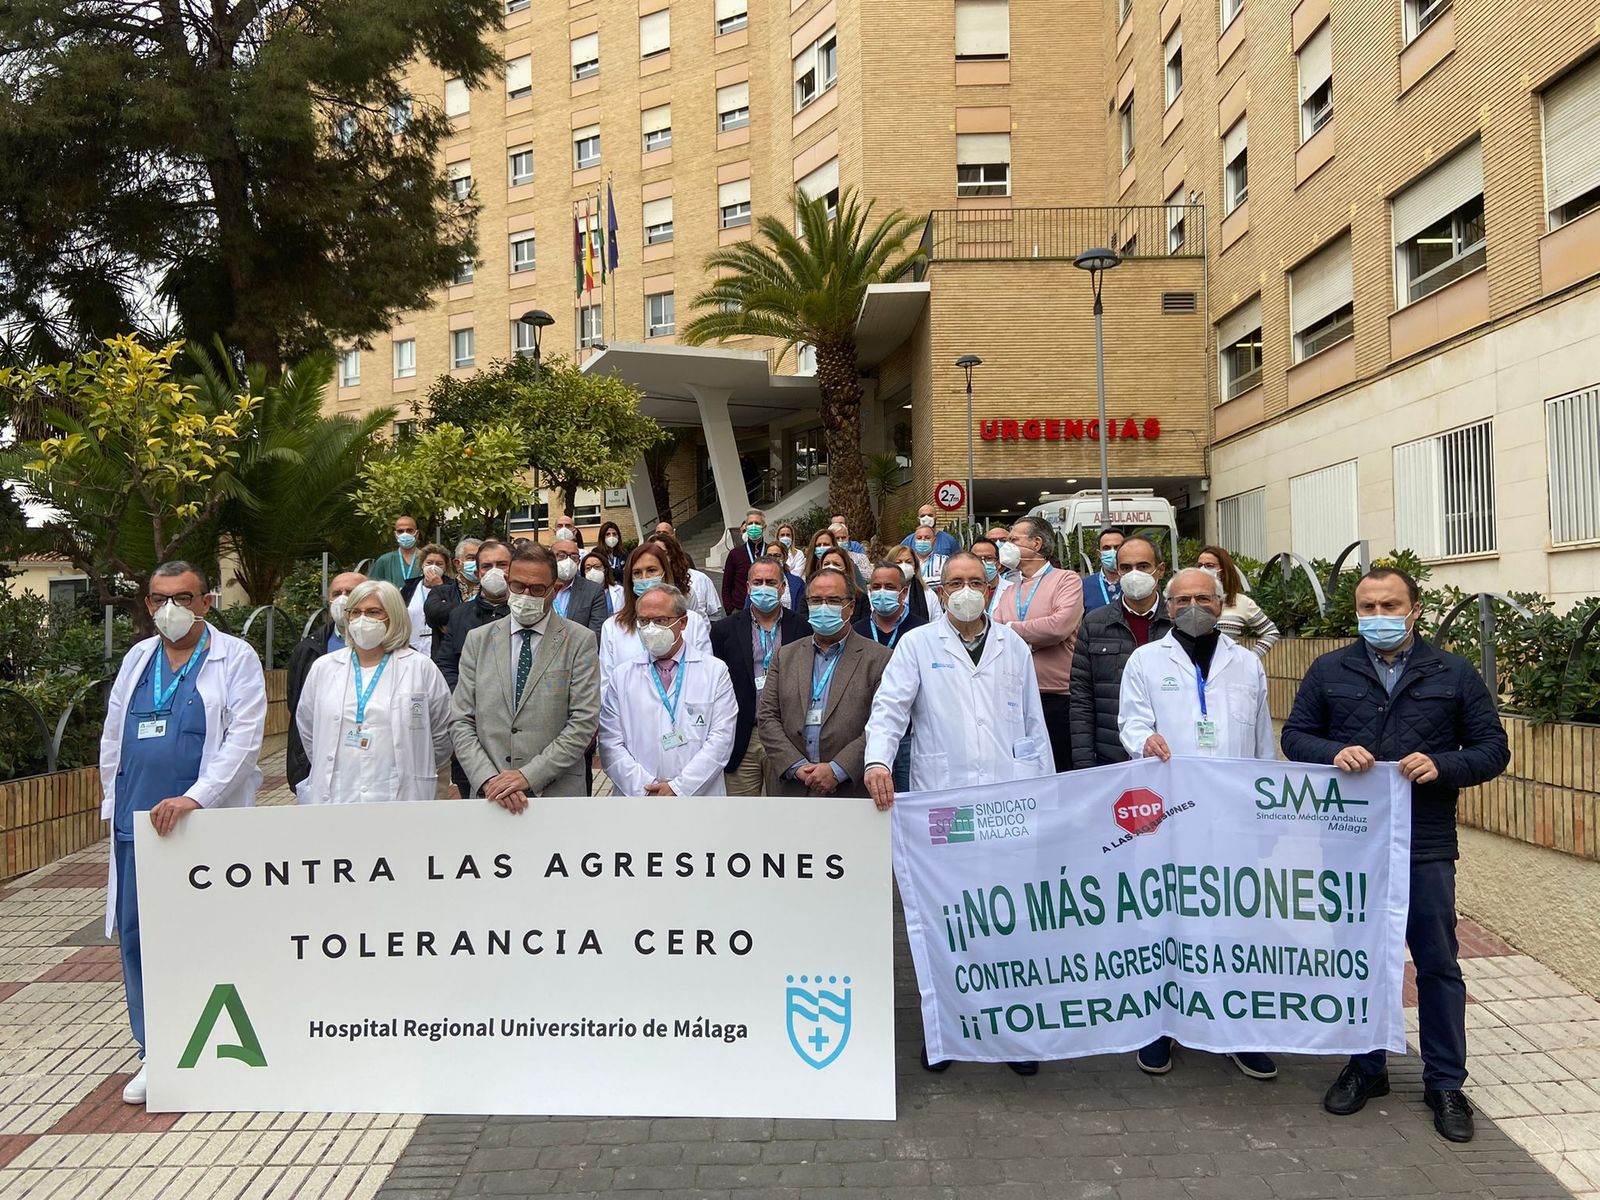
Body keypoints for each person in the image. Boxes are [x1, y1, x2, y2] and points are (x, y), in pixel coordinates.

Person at [1283, 567, 1509, 1144]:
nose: (1377, 615)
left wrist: (1443, 765)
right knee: (1357, 959)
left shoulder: (1453, 672)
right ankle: (1366, 1066)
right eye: (1367, 605)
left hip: (1426, 842)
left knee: (1436, 963)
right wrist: (1335, 752)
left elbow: (1492, 749)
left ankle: (1445, 1083)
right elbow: (1296, 737)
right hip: (1351, 843)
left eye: (1389, 604)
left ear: (1413, 610)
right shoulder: (1331, 669)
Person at [863, 551, 1051, 1077]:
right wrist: (878, 759)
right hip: (944, 804)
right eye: (955, 582)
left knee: (1011, 919)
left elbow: (1033, 725)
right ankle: (945, 1029)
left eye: (975, 580)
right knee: (949, 919)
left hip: (1007, 802)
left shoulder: (1013, 645)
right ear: (939, 591)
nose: (966, 589)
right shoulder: (918, 644)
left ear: (990, 587)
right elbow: (890, 709)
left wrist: (1045, 797)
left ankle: (1013, 1032)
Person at [99, 561, 266, 1106]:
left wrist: (197, 797)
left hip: (203, 824)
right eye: (159, 599)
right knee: (137, 936)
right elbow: (115, 736)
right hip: (137, 825)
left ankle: (221, 1045)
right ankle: (157, 1051)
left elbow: (243, 741)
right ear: (147, 604)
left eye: (184, 598)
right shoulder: (137, 658)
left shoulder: (235, 657)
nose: (170, 609)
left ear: (206, 602)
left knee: (207, 936)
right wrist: (112, 803)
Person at [1117, 566, 1277, 1082]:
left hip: (1233, 817)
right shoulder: (1145, 659)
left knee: (1233, 920)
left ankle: (1235, 1027)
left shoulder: (1247, 664)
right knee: (1166, 918)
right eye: (1182, 598)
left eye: (1204, 598)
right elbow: (1131, 720)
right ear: (1167, 606)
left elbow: (1260, 742)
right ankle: (1160, 1027)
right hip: (1169, 814)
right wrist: (1145, 740)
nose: (1193, 606)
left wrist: (1265, 811)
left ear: (1221, 603)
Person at [450, 542, 603, 806]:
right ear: (507, 582)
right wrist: (489, 780)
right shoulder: (478, 640)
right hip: (491, 797)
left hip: (557, 796)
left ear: (555, 590)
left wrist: (527, 777)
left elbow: (583, 723)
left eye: (537, 589)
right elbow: (461, 720)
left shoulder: (580, 641)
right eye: (518, 586)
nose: (526, 595)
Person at [296, 580, 453, 805]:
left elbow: (442, 735)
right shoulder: (324, 668)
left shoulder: (420, 667)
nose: (362, 620)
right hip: (337, 793)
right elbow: (308, 728)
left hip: (400, 795)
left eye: (373, 612)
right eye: (355, 612)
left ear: (393, 615)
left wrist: (414, 761)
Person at [758, 567, 889, 798]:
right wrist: (797, 766)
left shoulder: (879, 658)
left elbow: (881, 725)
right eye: (816, 600)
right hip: (792, 788)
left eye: (833, 600)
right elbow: (768, 716)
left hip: (849, 790)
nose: (824, 607)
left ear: (850, 605)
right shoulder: (785, 655)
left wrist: (837, 769)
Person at [599, 583, 737, 796]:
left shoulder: (715, 671)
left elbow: (721, 739)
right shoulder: (622, 675)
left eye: (661, 620)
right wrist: (646, 787)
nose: (651, 628)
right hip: (639, 796)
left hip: (700, 795)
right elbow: (610, 743)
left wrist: (679, 787)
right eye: (644, 621)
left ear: (683, 623)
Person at [1069, 537, 1171, 768]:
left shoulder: (1177, 623)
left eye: (1143, 566)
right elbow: (1081, 699)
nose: (1134, 574)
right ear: (1117, 571)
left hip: (1170, 755)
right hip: (1112, 756)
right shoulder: (1095, 624)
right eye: (1126, 568)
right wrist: (1084, 763)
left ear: (1160, 570)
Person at [710, 557, 808, 794]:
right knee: (740, 820)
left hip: (786, 738)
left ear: (782, 588)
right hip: (743, 736)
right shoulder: (724, 630)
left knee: (784, 816)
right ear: (748, 587)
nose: (764, 587)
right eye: (758, 581)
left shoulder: (803, 628)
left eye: (771, 582)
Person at [994, 515, 1084, 771]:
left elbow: (1058, 626)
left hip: (1055, 695)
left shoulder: (1067, 580)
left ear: (1036, 543)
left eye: (1013, 540)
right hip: (1015, 696)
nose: (1006, 546)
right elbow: (994, 634)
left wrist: (1012, 630)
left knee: (1060, 768)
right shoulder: (1010, 590)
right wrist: (1033, 636)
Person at [285, 570, 366, 790]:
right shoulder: (308, 650)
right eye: (336, 593)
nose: (342, 598)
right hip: (320, 766)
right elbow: (299, 710)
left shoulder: (403, 654)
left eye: (350, 592)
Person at [853, 560, 926, 791]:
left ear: (903, 593)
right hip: (863, 732)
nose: (881, 592)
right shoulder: (857, 630)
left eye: (889, 587)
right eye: (876, 586)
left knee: (905, 798)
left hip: (908, 735)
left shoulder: (921, 632)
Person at [600, 542, 713, 680]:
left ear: (665, 574)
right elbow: (607, 684)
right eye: (637, 573)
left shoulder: (693, 621)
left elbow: (707, 674)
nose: (644, 577)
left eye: (651, 570)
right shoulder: (613, 627)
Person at [437, 539, 512, 689]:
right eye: (487, 566)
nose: (494, 571)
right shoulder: (460, 615)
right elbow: (446, 665)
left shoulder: (524, 613)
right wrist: (462, 699)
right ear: (478, 573)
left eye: (502, 565)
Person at [1198, 544, 1280, 658]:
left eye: (1209, 565)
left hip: (1229, 670)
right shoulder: (1189, 601)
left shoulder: (1242, 602)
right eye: (1200, 565)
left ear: (1224, 569)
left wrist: (1251, 658)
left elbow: (1271, 633)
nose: (1203, 570)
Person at [647, 530, 722, 620]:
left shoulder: (695, 583)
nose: (656, 558)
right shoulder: (645, 586)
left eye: (661, 553)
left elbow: (714, 615)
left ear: (672, 555)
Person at [400, 543, 457, 656]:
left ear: (445, 567)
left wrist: (439, 587)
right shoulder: (409, 587)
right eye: (429, 563)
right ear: (422, 564)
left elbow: (454, 612)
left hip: (440, 649)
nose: (433, 567)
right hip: (410, 647)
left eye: (439, 564)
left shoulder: (453, 587)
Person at [550, 532, 609, 638]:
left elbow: (595, 634)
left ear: (578, 562)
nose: (568, 561)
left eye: (574, 557)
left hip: (578, 652)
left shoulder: (593, 591)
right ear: (550, 558)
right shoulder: (539, 587)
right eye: (561, 555)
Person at [720, 509, 768, 614]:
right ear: (745, 527)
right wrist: (730, 610)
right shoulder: (735, 554)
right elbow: (726, 585)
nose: (754, 526)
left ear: (764, 526)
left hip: (767, 608)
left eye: (757, 523)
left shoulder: (770, 552)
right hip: (739, 609)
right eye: (750, 523)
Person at [887, 543, 943, 622]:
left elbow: (937, 623)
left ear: (915, 566)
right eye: (898, 562)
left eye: (908, 562)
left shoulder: (928, 594)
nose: (904, 566)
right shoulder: (881, 593)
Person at [369, 515, 424, 587]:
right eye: (400, 531)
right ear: (395, 535)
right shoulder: (385, 560)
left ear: (417, 534)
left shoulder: (427, 559)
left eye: (409, 531)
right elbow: (372, 588)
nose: (405, 534)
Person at [1081, 528, 1125, 614]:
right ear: (1099, 554)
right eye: (1107, 548)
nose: (1112, 552)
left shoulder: (1135, 582)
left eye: (1117, 547)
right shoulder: (1084, 586)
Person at [970, 537, 1014, 615]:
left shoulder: (1013, 590)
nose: (983, 563)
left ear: (998, 563)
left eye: (989, 558)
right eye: (977, 558)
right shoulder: (960, 592)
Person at [765, 541, 806, 610]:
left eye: (777, 555)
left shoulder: (798, 583)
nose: (772, 559)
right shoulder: (757, 582)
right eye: (769, 555)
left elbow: (801, 610)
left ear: (785, 557)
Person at [581, 549, 625, 615]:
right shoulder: (579, 594)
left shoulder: (620, 591)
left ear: (605, 570)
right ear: (584, 572)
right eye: (588, 568)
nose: (593, 571)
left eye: (597, 567)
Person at [907, 524, 948, 588]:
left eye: (927, 538)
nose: (923, 540)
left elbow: (945, 580)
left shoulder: (944, 560)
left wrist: (917, 583)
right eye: (919, 538)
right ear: (914, 541)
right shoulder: (907, 561)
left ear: (934, 541)